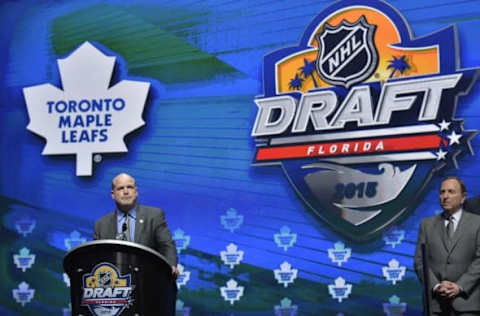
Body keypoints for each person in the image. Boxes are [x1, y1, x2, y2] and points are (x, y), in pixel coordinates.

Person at [414, 176, 480, 315]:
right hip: (436, 306)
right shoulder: (426, 224)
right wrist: (437, 286)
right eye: (442, 192)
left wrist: (459, 286)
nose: (445, 196)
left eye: (451, 191)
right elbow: (420, 261)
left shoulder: (477, 223)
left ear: (463, 197)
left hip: (467, 304)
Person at [94, 173, 178, 276]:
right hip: (115, 285)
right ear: (113, 194)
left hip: (148, 279)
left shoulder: (154, 216)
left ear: (136, 192)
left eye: (129, 187)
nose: (126, 192)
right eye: (120, 188)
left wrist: (170, 265)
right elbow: (96, 257)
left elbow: (166, 245)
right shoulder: (101, 224)